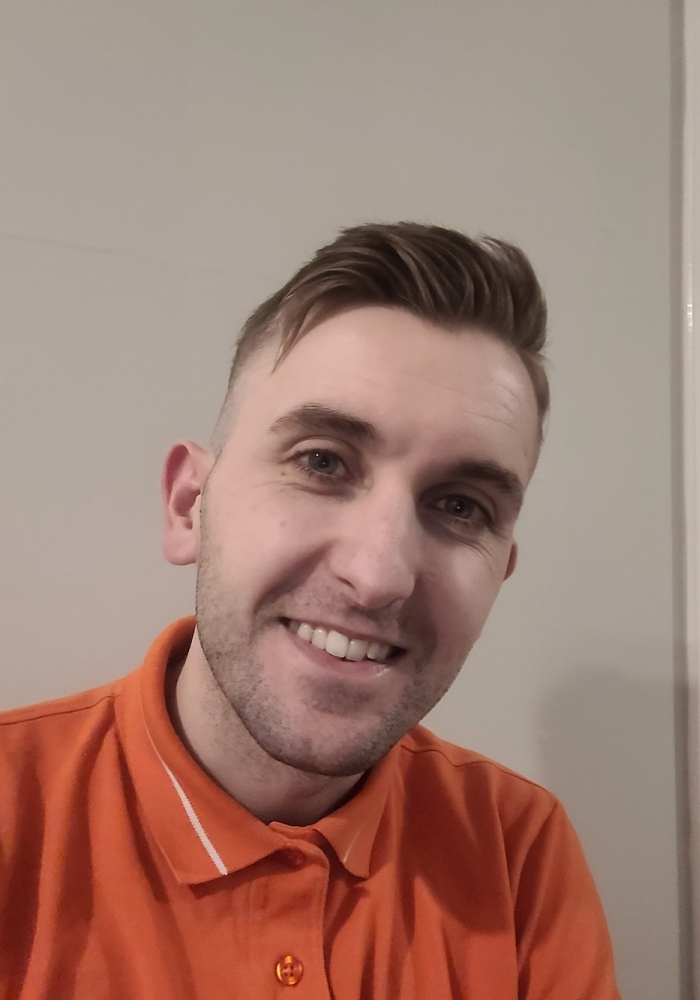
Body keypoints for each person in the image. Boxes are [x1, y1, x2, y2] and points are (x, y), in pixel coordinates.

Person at [0, 222, 621, 999]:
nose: (378, 575)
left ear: (501, 573)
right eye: (321, 462)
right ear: (190, 505)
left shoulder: (516, 851)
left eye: (462, 506)